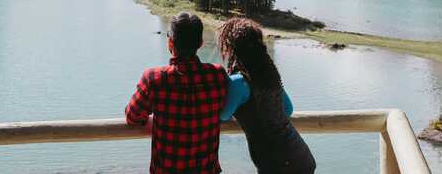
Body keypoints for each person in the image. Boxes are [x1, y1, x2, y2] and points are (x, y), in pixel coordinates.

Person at [125, 12, 229, 174]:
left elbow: (133, 116)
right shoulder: (217, 75)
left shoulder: (154, 79)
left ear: (171, 43)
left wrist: (155, 122)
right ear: (200, 43)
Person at [218, 18, 316, 174]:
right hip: (302, 156)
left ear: (234, 50)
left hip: (277, 164)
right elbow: (288, 109)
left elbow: (224, 115)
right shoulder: (269, 76)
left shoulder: (238, 83)